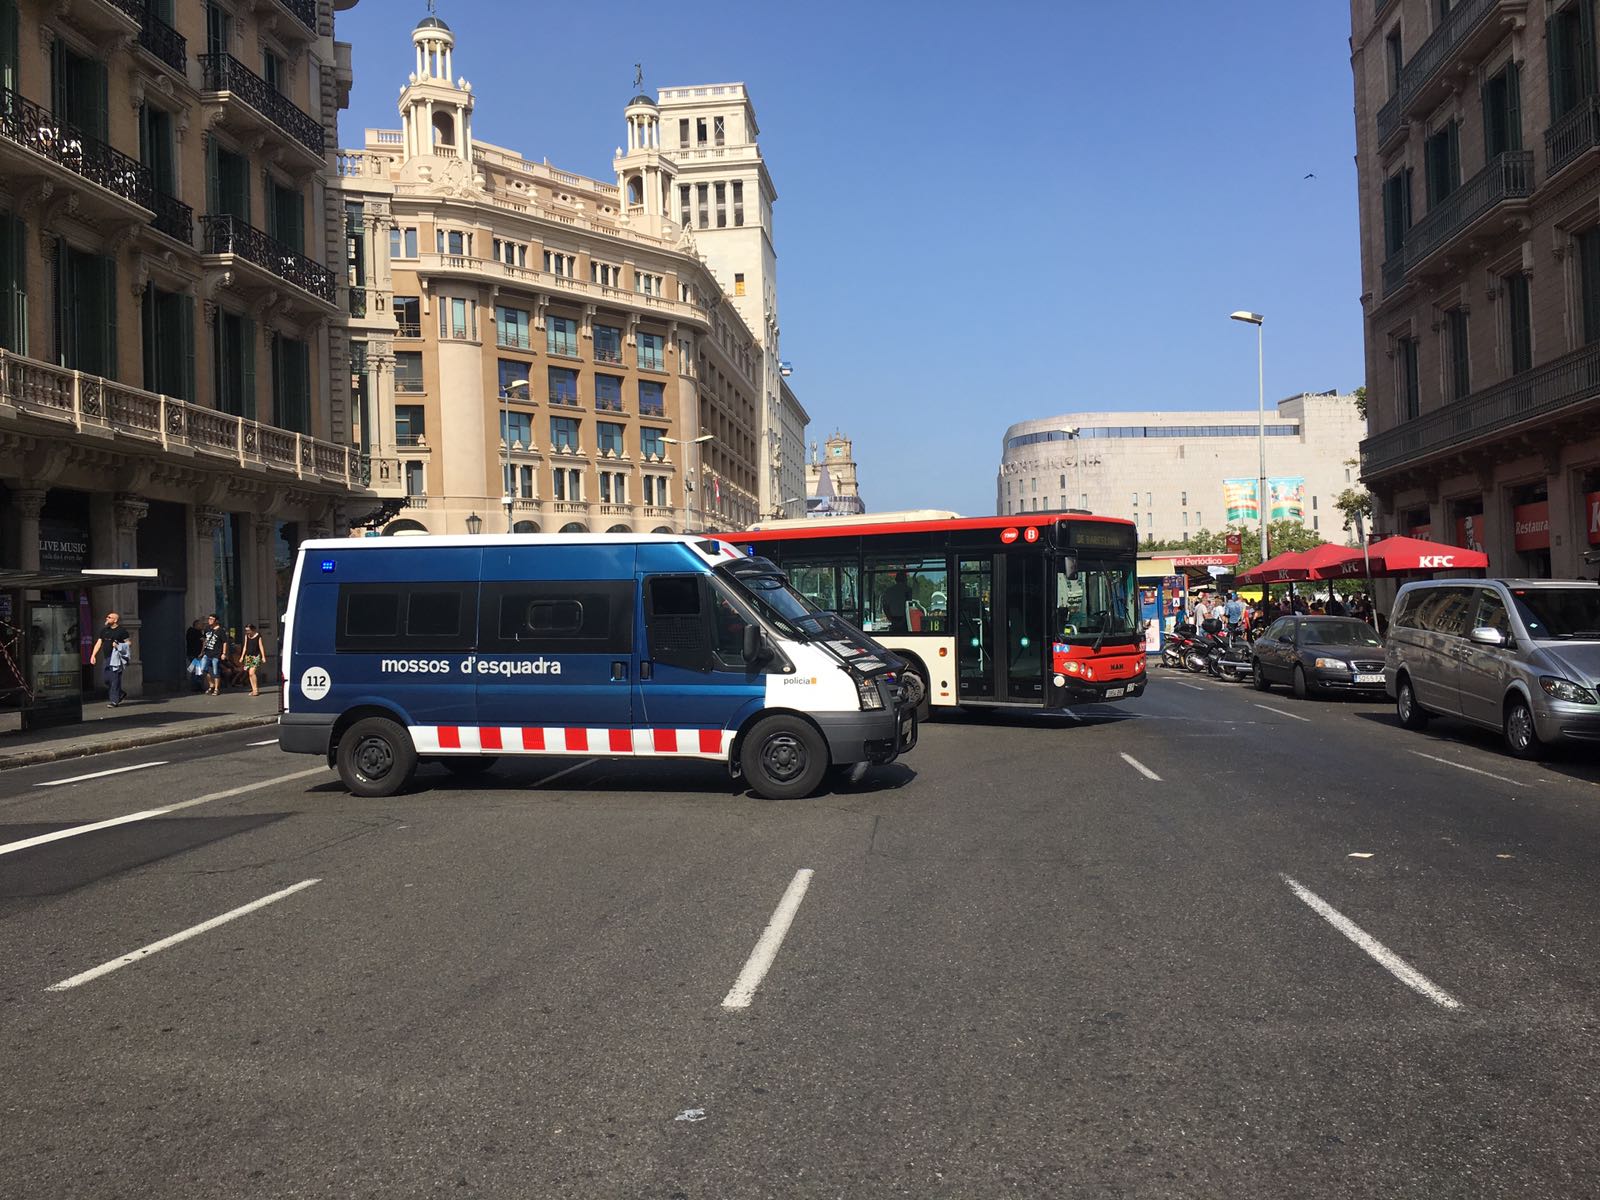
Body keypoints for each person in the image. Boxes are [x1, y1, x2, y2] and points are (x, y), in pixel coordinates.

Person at [89, 611, 130, 708]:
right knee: (107, 679)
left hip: (116, 658)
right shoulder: (104, 631)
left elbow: (129, 643)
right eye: (107, 617)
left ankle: (114, 701)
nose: (107, 618)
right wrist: (93, 655)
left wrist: (118, 645)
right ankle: (120, 693)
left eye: (109, 617)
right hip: (107, 658)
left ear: (115, 620)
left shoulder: (122, 631)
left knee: (115, 679)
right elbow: (99, 643)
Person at [200, 613, 229, 695]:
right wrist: (202, 651)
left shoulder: (221, 630)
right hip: (207, 653)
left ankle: (216, 689)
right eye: (209, 619)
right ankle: (211, 684)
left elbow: (225, 642)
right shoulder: (207, 629)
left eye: (212, 619)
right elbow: (205, 640)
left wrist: (223, 653)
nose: (209, 620)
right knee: (203, 670)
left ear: (216, 621)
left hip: (216, 654)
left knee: (216, 672)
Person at [238, 623, 267, 697]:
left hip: (256, 656)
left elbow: (261, 646)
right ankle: (254, 689)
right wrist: (242, 656)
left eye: (248, 630)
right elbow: (245, 646)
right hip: (248, 656)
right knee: (249, 674)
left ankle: (256, 690)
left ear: (252, 630)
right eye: (246, 630)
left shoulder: (258, 636)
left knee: (252, 672)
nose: (247, 632)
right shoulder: (246, 636)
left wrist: (263, 656)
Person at [185, 618, 204, 692]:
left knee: (194, 669)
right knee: (197, 670)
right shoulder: (197, 632)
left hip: (191, 653)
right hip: (196, 654)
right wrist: (202, 652)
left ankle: (195, 685)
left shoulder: (190, 631)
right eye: (201, 625)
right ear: (197, 625)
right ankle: (196, 686)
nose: (202, 626)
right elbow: (204, 641)